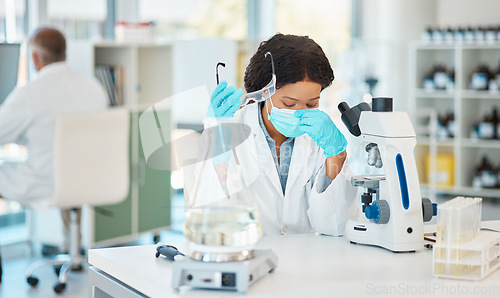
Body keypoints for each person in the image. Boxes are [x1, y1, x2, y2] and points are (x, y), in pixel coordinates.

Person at [193, 33, 356, 236]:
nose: (299, 112)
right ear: (264, 92)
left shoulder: (321, 138)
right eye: (289, 103)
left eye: (311, 104)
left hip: (306, 261)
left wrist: (336, 152)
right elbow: (207, 221)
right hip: (249, 258)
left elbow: (335, 225)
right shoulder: (229, 131)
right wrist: (217, 150)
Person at [0, 27, 108, 252]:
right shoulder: (94, 88)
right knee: (66, 168)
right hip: (90, 178)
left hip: (47, 182)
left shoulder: (29, 94)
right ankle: (72, 246)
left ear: (35, 58)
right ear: (65, 53)